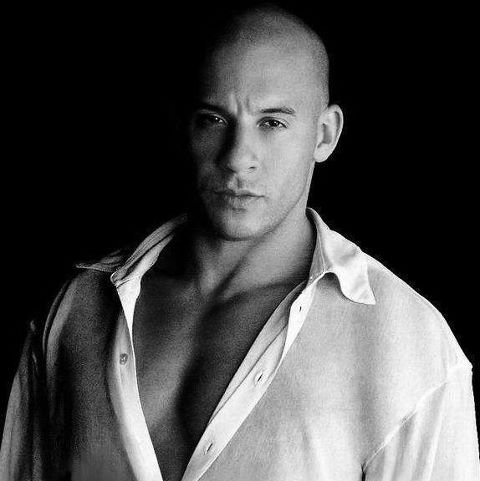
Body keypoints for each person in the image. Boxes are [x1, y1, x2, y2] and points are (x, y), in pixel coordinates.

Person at [1, 4, 479, 481]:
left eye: (271, 123)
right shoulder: (80, 308)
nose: (237, 158)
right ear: (183, 125)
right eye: (214, 119)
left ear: (325, 135)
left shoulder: (405, 341)